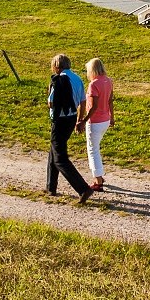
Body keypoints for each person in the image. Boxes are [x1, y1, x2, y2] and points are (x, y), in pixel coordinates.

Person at [45, 54, 93, 203]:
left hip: (60, 119)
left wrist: (49, 91)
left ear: (57, 67)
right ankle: (50, 187)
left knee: (60, 158)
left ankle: (83, 188)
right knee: (54, 150)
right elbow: (82, 102)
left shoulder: (59, 79)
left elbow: (51, 103)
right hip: (72, 118)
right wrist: (80, 120)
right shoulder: (77, 78)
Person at [82, 57, 113, 193]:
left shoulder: (93, 84)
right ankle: (99, 175)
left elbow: (93, 106)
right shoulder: (108, 81)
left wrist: (84, 119)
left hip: (95, 121)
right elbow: (110, 100)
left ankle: (98, 180)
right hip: (105, 119)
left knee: (93, 150)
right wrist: (112, 117)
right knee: (96, 148)